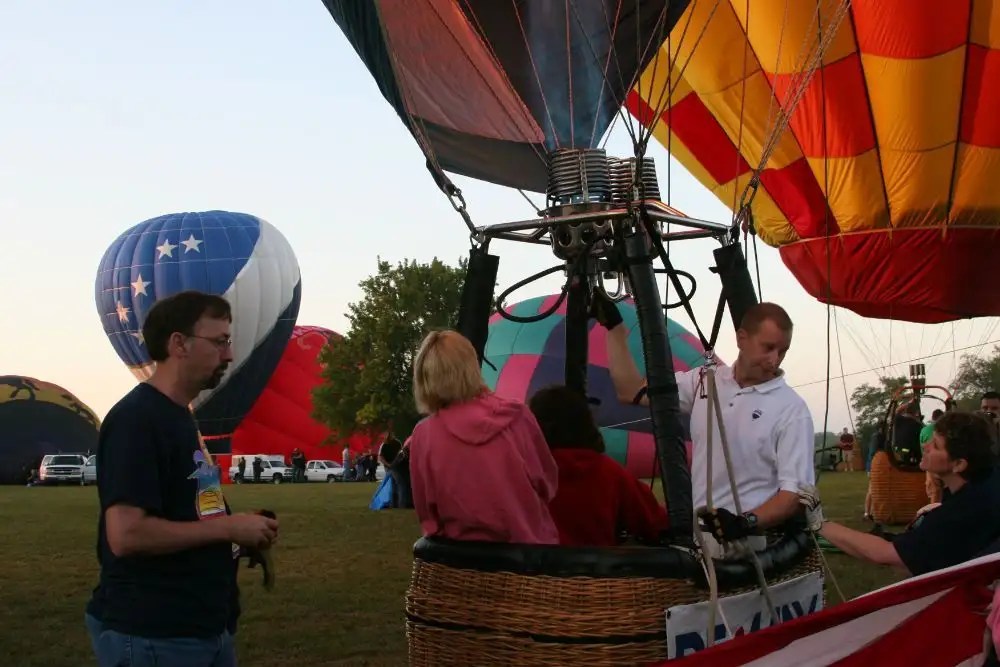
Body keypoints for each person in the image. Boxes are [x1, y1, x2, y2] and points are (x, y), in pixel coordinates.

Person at [84, 290, 279, 667]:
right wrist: (228, 529)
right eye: (219, 341)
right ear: (179, 344)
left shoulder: (179, 416)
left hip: (203, 627)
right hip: (156, 634)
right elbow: (126, 534)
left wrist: (239, 536)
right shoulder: (137, 419)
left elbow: (187, 511)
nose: (229, 355)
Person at [595, 297, 814, 556]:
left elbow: (793, 495)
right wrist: (615, 329)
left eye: (782, 351)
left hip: (749, 544)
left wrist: (745, 522)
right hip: (701, 539)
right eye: (768, 348)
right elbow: (631, 391)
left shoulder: (791, 409)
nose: (774, 360)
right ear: (741, 339)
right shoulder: (704, 381)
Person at [799, 411, 1000, 576]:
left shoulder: (958, 514)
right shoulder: (987, 482)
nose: (925, 446)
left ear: (958, 464)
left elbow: (886, 554)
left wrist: (820, 524)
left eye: (936, 445)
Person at [408, 330, 559, 544]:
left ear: (423, 377)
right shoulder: (517, 416)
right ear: (471, 366)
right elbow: (547, 483)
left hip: (461, 557)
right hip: (527, 552)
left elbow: (428, 517)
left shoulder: (423, 435)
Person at [528, 385, 669, 547]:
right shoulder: (610, 473)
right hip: (595, 561)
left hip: (529, 562)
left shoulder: (524, 472)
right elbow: (655, 522)